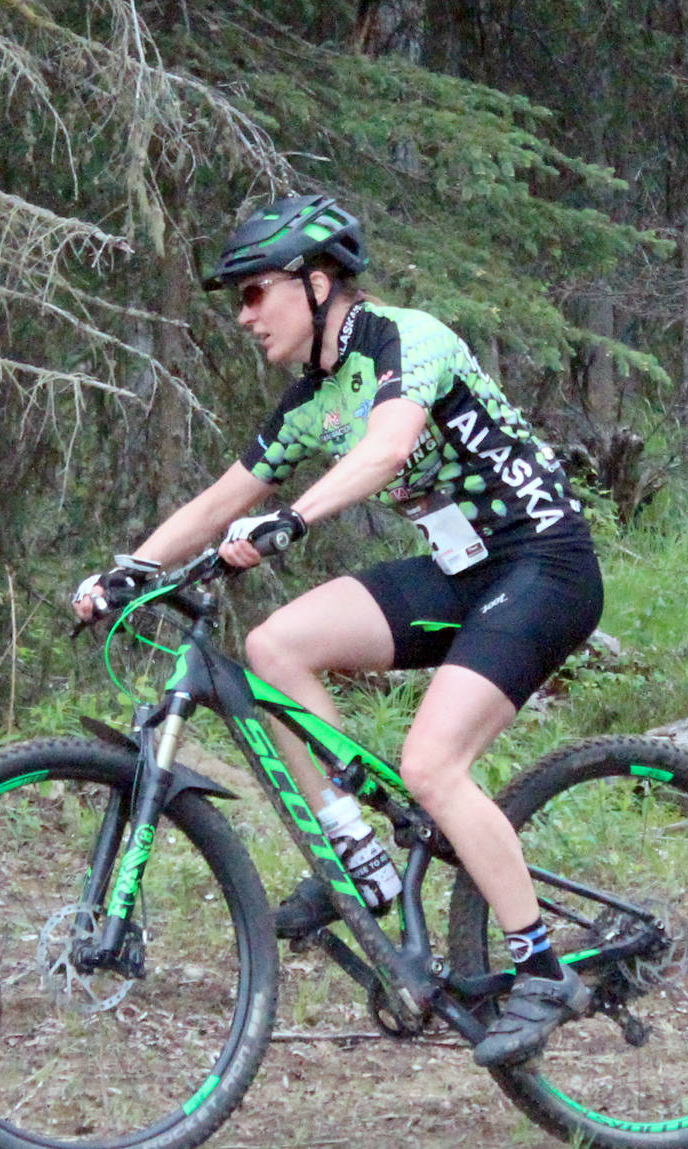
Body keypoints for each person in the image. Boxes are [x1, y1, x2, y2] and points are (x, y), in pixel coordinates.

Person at [73, 194, 604, 1067]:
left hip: (542, 562)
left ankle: (541, 968)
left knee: (434, 764)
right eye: (236, 300)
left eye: (254, 293)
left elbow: (389, 447)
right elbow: (218, 501)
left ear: (317, 284)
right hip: (463, 570)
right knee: (274, 648)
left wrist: (296, 517)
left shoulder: (407, 338)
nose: (243, 316)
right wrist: (126, 569)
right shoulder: (311, 400)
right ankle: (361, 859)